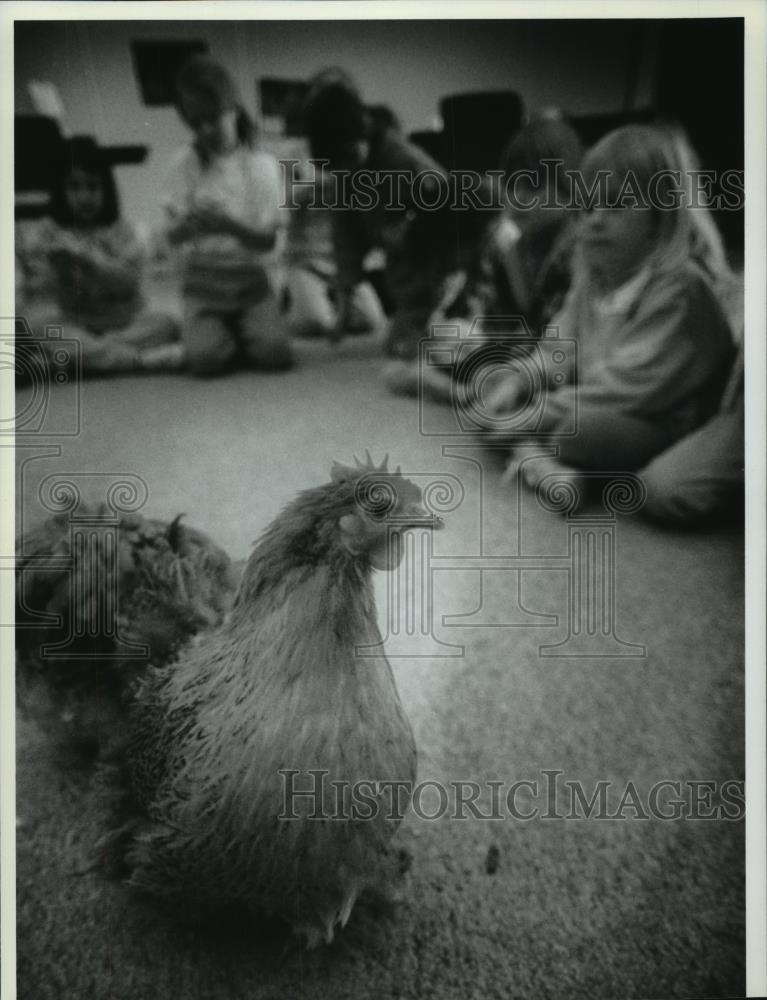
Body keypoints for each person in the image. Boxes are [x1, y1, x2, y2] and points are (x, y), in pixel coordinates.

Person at [477, 123, 740, 516]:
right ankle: (544, 459)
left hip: (663, 420)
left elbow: (630, 385)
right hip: (608, 405)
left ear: (661, 216)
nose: (595, 219)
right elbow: (556, 348)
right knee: (519, 403)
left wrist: (537, 412)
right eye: (586, 208)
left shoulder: (680, 288)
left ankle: (541, 458)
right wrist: (518, 379)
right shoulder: (593, 277)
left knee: (572, 432)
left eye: (615, 204)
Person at [384, 112, 583, 400]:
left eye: (534, 185)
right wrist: (466, 331)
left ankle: (464, 392)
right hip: (512, 348)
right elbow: (487, 308)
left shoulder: (576, 249)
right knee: (416, 359)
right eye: (512, 184)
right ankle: (463, 389)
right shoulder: (503, 242)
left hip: (553, 356)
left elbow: (558, 339)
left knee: (504, 376)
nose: (520, 197)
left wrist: (487, 341)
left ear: (570, 186)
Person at [302, 68, 493, 364]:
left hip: (440, 266)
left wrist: (409, 226)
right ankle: (427, 322)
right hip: (405, 278)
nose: (346, 172)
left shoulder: (405, 160)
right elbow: (346, 246)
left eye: (348, 159)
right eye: (338, 168)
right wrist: (340, 315)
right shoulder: (346, 176)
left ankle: (462, 317)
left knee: (434, 344)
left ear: (363, 131)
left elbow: (456, 217)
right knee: (400, 344)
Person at [162, 55, 292, 376]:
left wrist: (230, 226)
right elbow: (171, 235)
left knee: (275, 355)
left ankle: (242, 327)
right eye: (195, 123)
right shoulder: (183, 165)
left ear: (233, 107)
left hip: (251, 283)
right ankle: (218, 331)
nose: (205, 129)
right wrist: (189, 224)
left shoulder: (261, 166)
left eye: (212, 118)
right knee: (206, 362)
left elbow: (266, 241)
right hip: (203, 285)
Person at [16, 136, 182, 377]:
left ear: (107, 190)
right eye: (74, 187)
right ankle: (138, 361)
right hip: (76, 323)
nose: (84, 197)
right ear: (61, 191)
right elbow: (37, 286)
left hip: (126, 322)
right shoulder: (50, 232)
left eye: (93, 187)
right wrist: (55, 270)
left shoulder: (121, 229)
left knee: (166, 324)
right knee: (39, 326)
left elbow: (129, 281)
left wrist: (93, 262)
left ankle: (70, 361)